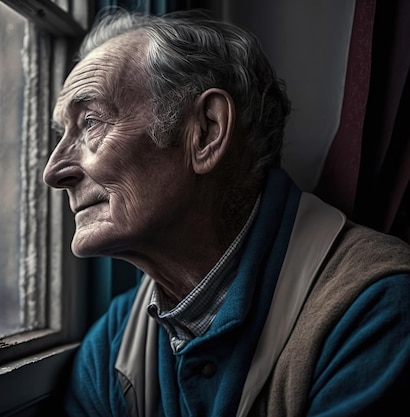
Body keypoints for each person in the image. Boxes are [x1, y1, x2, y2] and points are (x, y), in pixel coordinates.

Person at [42, 9, 410, 417]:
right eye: (63, 135)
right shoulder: (114, 344)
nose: (54, 172)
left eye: (90, 123)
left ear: (206, 132)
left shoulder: (377, 309)